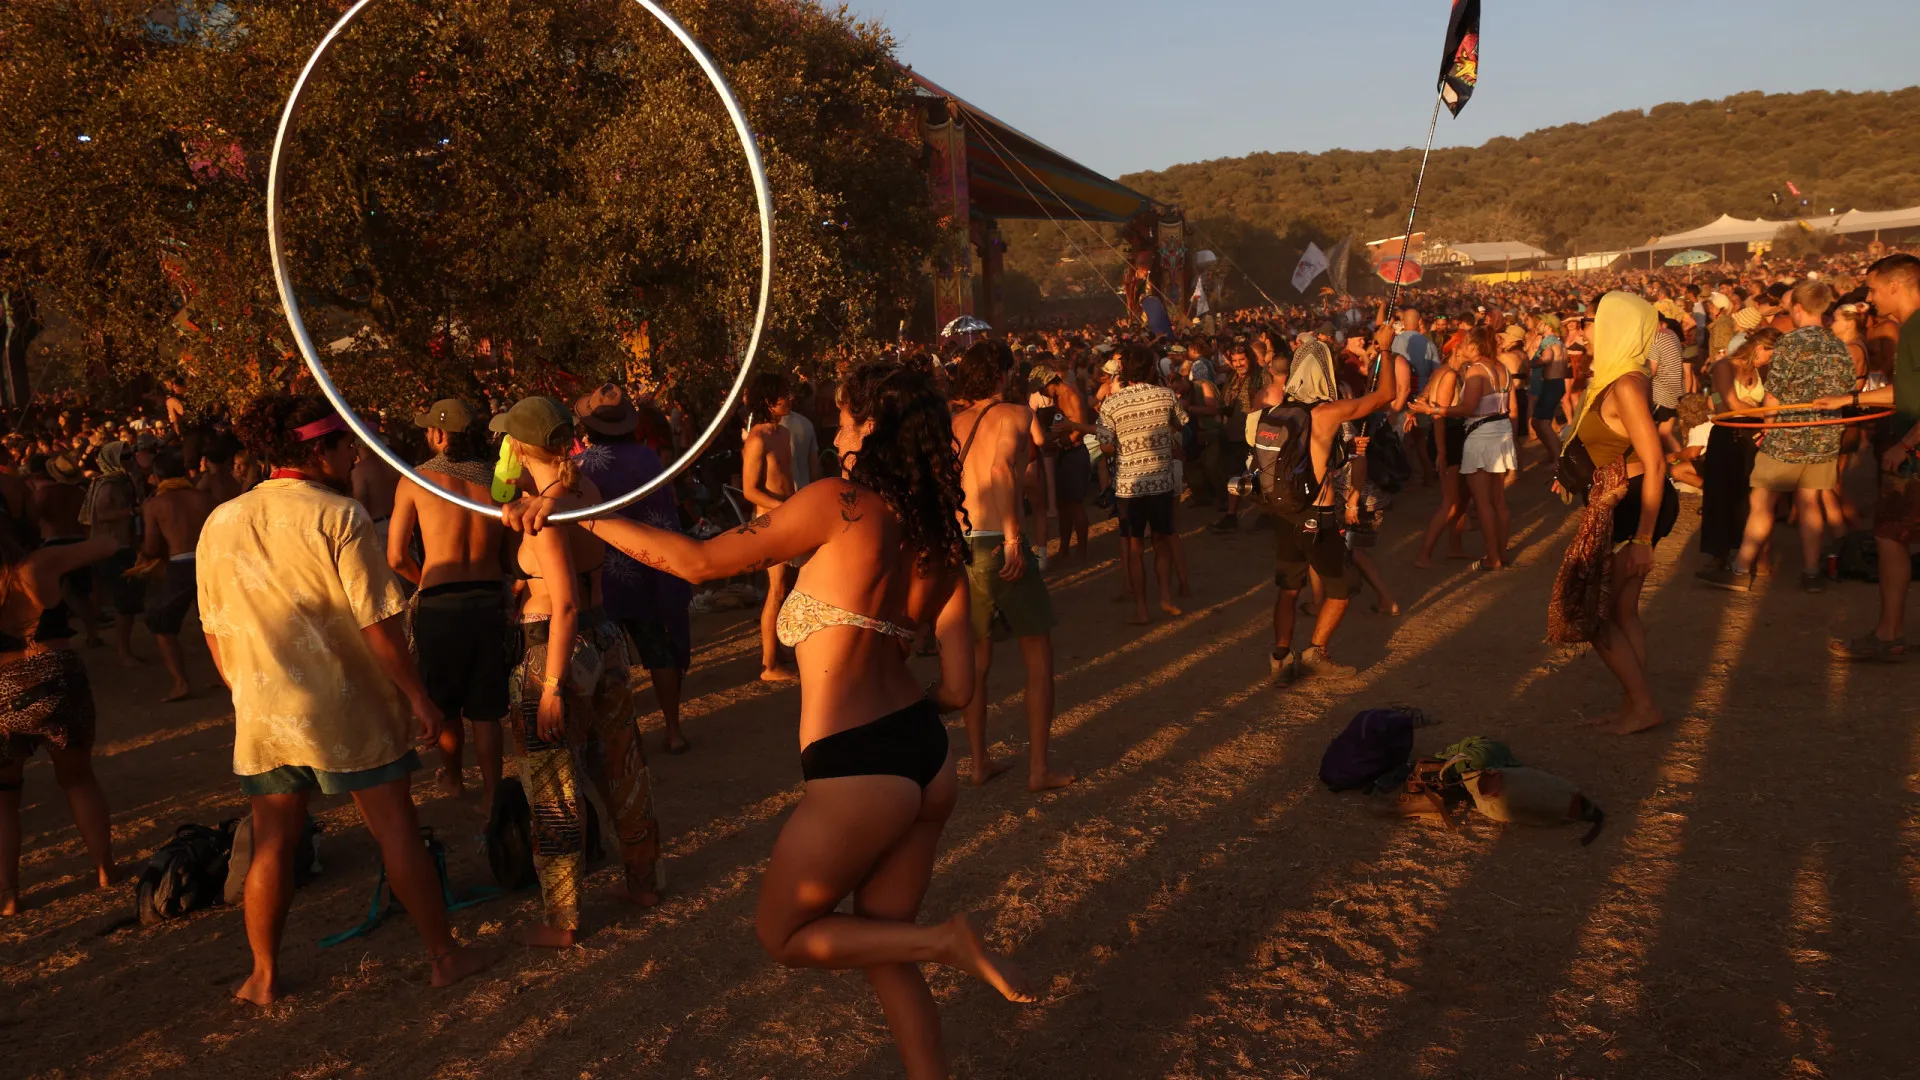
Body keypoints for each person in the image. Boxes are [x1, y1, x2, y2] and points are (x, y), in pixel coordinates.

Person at [502, 361, 1035, 1079]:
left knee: (783, 933)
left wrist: (581, 514)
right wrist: (901, 711)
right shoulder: (937, 538)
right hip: (925, 756)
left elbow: (698, 563)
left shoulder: (840, 504)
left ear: (873, 427)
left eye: (844, 419)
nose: (836, 435)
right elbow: (961, 688)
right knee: (885, 945)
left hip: (860, 764)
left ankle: (947, 942)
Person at [197, 394, 498, 1003]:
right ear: (317, 451)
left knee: (272, 841)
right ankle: (444, 957)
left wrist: (246, 693)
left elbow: (215, 629)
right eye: (344, 444)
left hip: (268, 713)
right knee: (396, 830)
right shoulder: (339, 515)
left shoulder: (220, 521)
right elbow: (377, 622)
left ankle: (263, 975)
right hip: (348, 708)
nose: (354, 455)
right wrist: (419, 697)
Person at [492, 396, 663, 944]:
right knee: (621, 764)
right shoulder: (582, 488)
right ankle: (642, 882)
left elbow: (562, 603)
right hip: (605, 640)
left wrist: (550, 688)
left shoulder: (547, 513)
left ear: (518, 446)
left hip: (555, 648)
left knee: (554, 785)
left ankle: (561, 919)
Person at [1547, 292, 1673, 736]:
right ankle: (1634, 706)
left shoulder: (1626, 385)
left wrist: (1642, 540)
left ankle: (1643, 706)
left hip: (1633, 505)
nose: (1586, 331)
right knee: (1622, 612)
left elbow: (1655, 462)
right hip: (1622, 497)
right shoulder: (1617, 377)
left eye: (1594, 322)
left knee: (1591, 612)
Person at [948, 346, 1072, 793]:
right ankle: (1038, 769)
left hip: (965, 542)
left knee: (978, 661)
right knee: (1038, 657)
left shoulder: (955, 423)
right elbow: (1002, 468)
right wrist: (1014, 538)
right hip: (998, 541)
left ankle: (978, 762)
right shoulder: (1016, 413)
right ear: (1002, 374)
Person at [386, 399, 509, 803]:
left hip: (440, 603)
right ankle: (493, 794)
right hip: (490, 599)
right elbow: (511, 551)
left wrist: (424, 580)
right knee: (487, 711)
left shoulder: (417, 480)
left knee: (446, 704)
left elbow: (396, 557)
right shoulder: (497, 481)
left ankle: (454, 779)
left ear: (439, 434)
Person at [1697, 281, 1855, 594]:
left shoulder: (1790, 344)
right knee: (1810, 502)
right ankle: (1811, 573)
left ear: (1797, 307)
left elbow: (1773, 396)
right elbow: (1846, 389)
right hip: (1823, 436)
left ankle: (1741, 569)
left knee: (1762, 503)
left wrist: (1768, 428)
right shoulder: (1838, 345)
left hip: (1786, 437)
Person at [0, 527, 122, 916]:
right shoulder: (38, 565)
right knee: (78, 780)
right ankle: (105, 870)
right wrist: (66, 535)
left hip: (1, 692)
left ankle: (9, 896)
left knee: (4, 799)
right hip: (56, 678)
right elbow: (108, 544)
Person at [1260, 338, 1396, 684]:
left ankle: (1280, 659)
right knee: (1343, 585)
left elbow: (1306, 457)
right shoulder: (1327, 412)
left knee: (1289, 587)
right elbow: (1386, 395)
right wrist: (1385, 349)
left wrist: (1344, 448)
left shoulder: (1278, 412)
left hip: (1284, 512)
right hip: (1316, 515)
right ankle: (1315, 653)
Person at [573, 388, 694, 755]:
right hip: (648, 566)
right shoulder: (648, 459)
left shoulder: (580, 467)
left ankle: (625, 737)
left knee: (611, 664)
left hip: (601, 577)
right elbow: (666, 511)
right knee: (659, 652)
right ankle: (673, 730)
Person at [1818, 254, 1920, 660]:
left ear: (1896, 285)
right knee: (1891, 535)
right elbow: (1906, 391)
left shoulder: (1915, 326)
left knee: (1890, 535)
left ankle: (1888, 635)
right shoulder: (1908, 328)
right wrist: (1849, 399)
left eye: (1874, 289)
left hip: (1913, 452)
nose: (1870, 299)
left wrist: (1906, 444)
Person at [1093, 345, 1188, 625]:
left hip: (1129, 485)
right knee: (1161, 541)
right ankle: (1166, 597)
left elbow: (1105, 446)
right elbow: (1181, 424)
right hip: (1161, 480)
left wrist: (1127, 445)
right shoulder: (1166, 395)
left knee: (1134, 547)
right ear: (1150, 369)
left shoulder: (1112, 404)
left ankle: (1142, 608)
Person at [1414, 327, 1514, 569]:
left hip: (1476, 436)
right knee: (1469, 501)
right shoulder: (1497, 369)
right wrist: (1441, 450)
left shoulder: (1471, 370)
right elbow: (1440, 417)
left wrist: (1429, 409)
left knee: (1472, 501)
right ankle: (1494, 553)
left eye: (1467, 342)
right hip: (1483, 435)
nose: (1464, 347)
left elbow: (1457, 406)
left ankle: (1475, 552)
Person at [1698, 329, 1779, 570]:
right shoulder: (1725, 366)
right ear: (1760, 348)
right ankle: (1719, 554)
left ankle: (1756, 553)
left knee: (1754, 496)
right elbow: (1731, 404)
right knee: (1721, 495)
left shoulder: (1760, 370)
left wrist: (1763, 415)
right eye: (1770, 355)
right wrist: (1767, 415)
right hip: (1728, 433)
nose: (1770, 361)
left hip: (1753, 433)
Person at [137, 450, 211, 702]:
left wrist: (144, 556)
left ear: (157, 476)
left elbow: (150, 547)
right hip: (209, 561)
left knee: (161, 625)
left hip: (180, 566)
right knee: (219, 622)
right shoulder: (203, 497)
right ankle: (231, 676)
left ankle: (181, 683)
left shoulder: (155, 504)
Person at [742, 372, 799, 682]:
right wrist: (783, 507)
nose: (789, 399)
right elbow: (750, 490)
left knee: (789, 586)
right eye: (782, 395)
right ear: (767, 401)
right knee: (776, 589)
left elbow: (785, 478)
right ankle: (769, 665)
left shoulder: (783, 433)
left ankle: (780, 650)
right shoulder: (757, 439)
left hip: (788, 517)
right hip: (770, 522)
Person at [81, 441, 144, 667]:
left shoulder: (120, 481)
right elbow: (102, 513)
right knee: (124, 603)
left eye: (130, 455)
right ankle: (123, 653)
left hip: (118, 546)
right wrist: (132, 511)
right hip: (114, 548)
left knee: (122, 601)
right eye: (124, 457)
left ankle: (115, 646)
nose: (130, 459)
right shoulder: (108, 485)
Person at [1029, 364, 1095, 563]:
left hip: (1074, 453)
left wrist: (1058, 442)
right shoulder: (1059, 397)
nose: (1042, 393)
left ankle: (1082, 552)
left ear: (1050, 382)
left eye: (1042, 389)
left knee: (1075, 505)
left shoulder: (1072, 396)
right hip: (1065, 453)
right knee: (1063, 505)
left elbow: (1080, 429)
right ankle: (1064, 549)